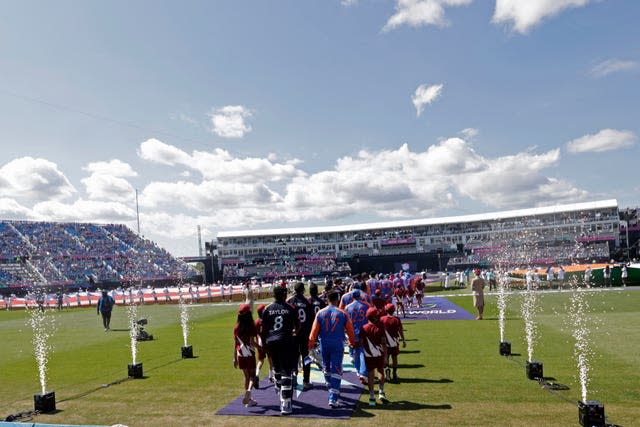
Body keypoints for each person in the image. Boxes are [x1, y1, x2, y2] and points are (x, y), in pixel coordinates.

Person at [308, 291, 356, 408]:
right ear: (337, 299)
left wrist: (310, 345)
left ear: (327, 299)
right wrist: (352, 342)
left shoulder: (320, 313)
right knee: (337, 369)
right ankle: (333, 397)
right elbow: (350, 330)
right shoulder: (342, 313)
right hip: (337, 344)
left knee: (326, 366)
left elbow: (313, 332)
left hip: (324, 344)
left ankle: (330, 387)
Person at [261, 286, 299, 415]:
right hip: (286, 341)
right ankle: (286, 403)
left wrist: (265, 344)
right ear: (284, 295)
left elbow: (263, 329)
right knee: (286, 372)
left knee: (277, 368)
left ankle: (278, 384)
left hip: (272, 341)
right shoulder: (290, 308)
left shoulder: (267, 309)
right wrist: (294, 333)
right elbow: (297, 325)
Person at [287, 281, 315, 391]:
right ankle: (306, 381)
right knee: (306, 357)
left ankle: (293, 376)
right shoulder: (307, 302)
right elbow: (312, 319)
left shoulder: (290, 301)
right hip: (305, 333)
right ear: (303, 290)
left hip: (294, 333)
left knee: (294, 356)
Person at [360, 307, 389, 406]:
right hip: (379, 354)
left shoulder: (363, 328)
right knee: (381, 372)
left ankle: (372, 397)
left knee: (371, 375)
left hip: (368, 355)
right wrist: (385, 356)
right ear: (375, 317)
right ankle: (381, 392)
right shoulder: (380, 328)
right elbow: (384, 343)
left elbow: (361, 342)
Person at [233, 304, 258, 407]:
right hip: (249, 353)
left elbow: (235, 344)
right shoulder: (251, 326)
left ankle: (249, 400)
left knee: (246, 376)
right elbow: (252, 342)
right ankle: (248, 391)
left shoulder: (236, 327)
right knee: (253, 376)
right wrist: (261, 348)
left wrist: (234, 358)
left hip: (240, 353)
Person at [345, 290, 370, 385]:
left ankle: (358, 370)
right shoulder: (366, 305)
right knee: (363, 352)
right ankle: (363, 372)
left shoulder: (348, 307)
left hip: (353, 332)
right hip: (364, 331)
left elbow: (346, 322)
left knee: (355, 352)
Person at [380, 303, 406, 383]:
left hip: (385, 342)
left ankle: (387, 370)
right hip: (394, 342)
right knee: (395, 358)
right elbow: (400, 330)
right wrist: (403, 340)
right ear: (394, 310)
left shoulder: (382, 319)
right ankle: (394, 374)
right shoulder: (397, 319)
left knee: (386, 358)